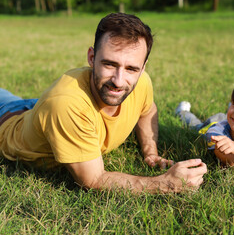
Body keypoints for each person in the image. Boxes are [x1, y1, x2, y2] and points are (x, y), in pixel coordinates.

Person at [0, 13, 207, 193]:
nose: (118, 80)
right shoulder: (66, 105)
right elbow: (94, 180)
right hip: (7, 119)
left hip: (38, 111)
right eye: (109, 64)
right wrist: (165, 184)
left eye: (131, 69)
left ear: (143, 68)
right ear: (91, 57)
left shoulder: (141, 83)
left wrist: (150, 152)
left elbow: (147, 110)